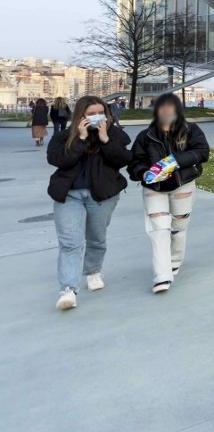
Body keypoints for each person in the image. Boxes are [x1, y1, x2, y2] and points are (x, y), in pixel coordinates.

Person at [45, 96, 132, 311]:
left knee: (96, 237)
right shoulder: (64, 137)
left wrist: (105, 139)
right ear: (81, 116)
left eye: (100, 112)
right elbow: (59, 161)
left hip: (102, 194)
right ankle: (68, 290)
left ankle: (93, 271)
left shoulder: (115, 134)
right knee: (70, 243)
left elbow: (123, 159)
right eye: (91, 113)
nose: (96, 117)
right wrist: (81, 139)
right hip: (69, 195)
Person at [127, 93, 211, 293]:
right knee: (159, 228)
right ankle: (162, 275)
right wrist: (144, 172)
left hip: (183, 184)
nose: (166, 111)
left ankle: (174, 260)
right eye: (161, 107)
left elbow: (202, 152)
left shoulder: (190, 130)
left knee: (179, 227)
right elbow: (134, 163)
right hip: (154, 187)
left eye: (170, 107)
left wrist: (175, 161)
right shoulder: (145, 136)